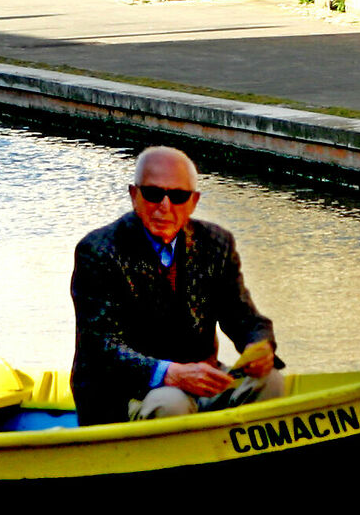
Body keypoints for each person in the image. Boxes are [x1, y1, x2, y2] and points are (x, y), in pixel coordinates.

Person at [70, 146, 286, 426]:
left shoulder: (216, 243)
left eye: (178, 196)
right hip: (125, 395)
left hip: (202, 383)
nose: (165, 206)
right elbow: (102, 346)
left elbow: (242, 316)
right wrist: (169, 373)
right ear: (134, 195)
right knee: (171, 402)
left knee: (269, 382)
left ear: (194, 201)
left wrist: (259, 346)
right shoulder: (97, 251)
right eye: (153, 194)